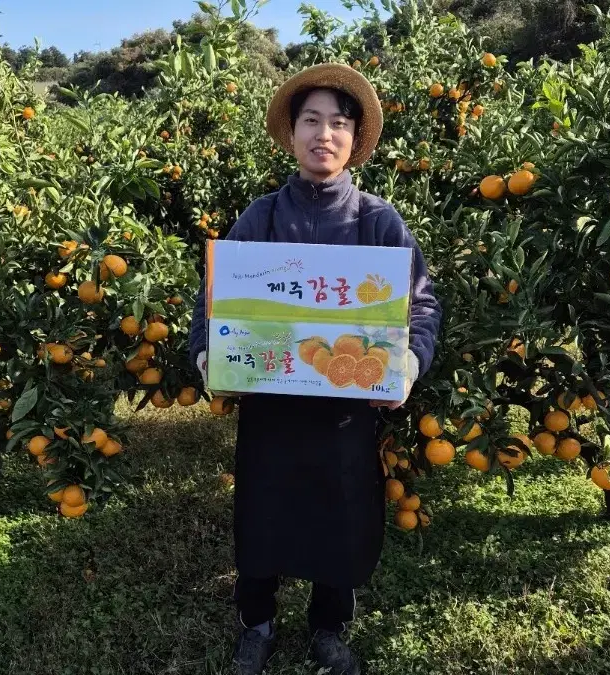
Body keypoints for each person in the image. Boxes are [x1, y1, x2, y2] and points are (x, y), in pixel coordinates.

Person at [189, 63, 442, 675]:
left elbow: (422, 302)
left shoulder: (377, 222)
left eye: (337, 122)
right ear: (293, 134)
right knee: (262, 512)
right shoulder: (262, 215)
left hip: (346, 411)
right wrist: (207, 355)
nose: (323, 134)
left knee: (342, 514)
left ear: (354, 139)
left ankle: (329, 627)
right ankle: (259, 622)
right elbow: (214, 299)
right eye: (311, 121)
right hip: (272, 409)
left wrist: (407, 361)